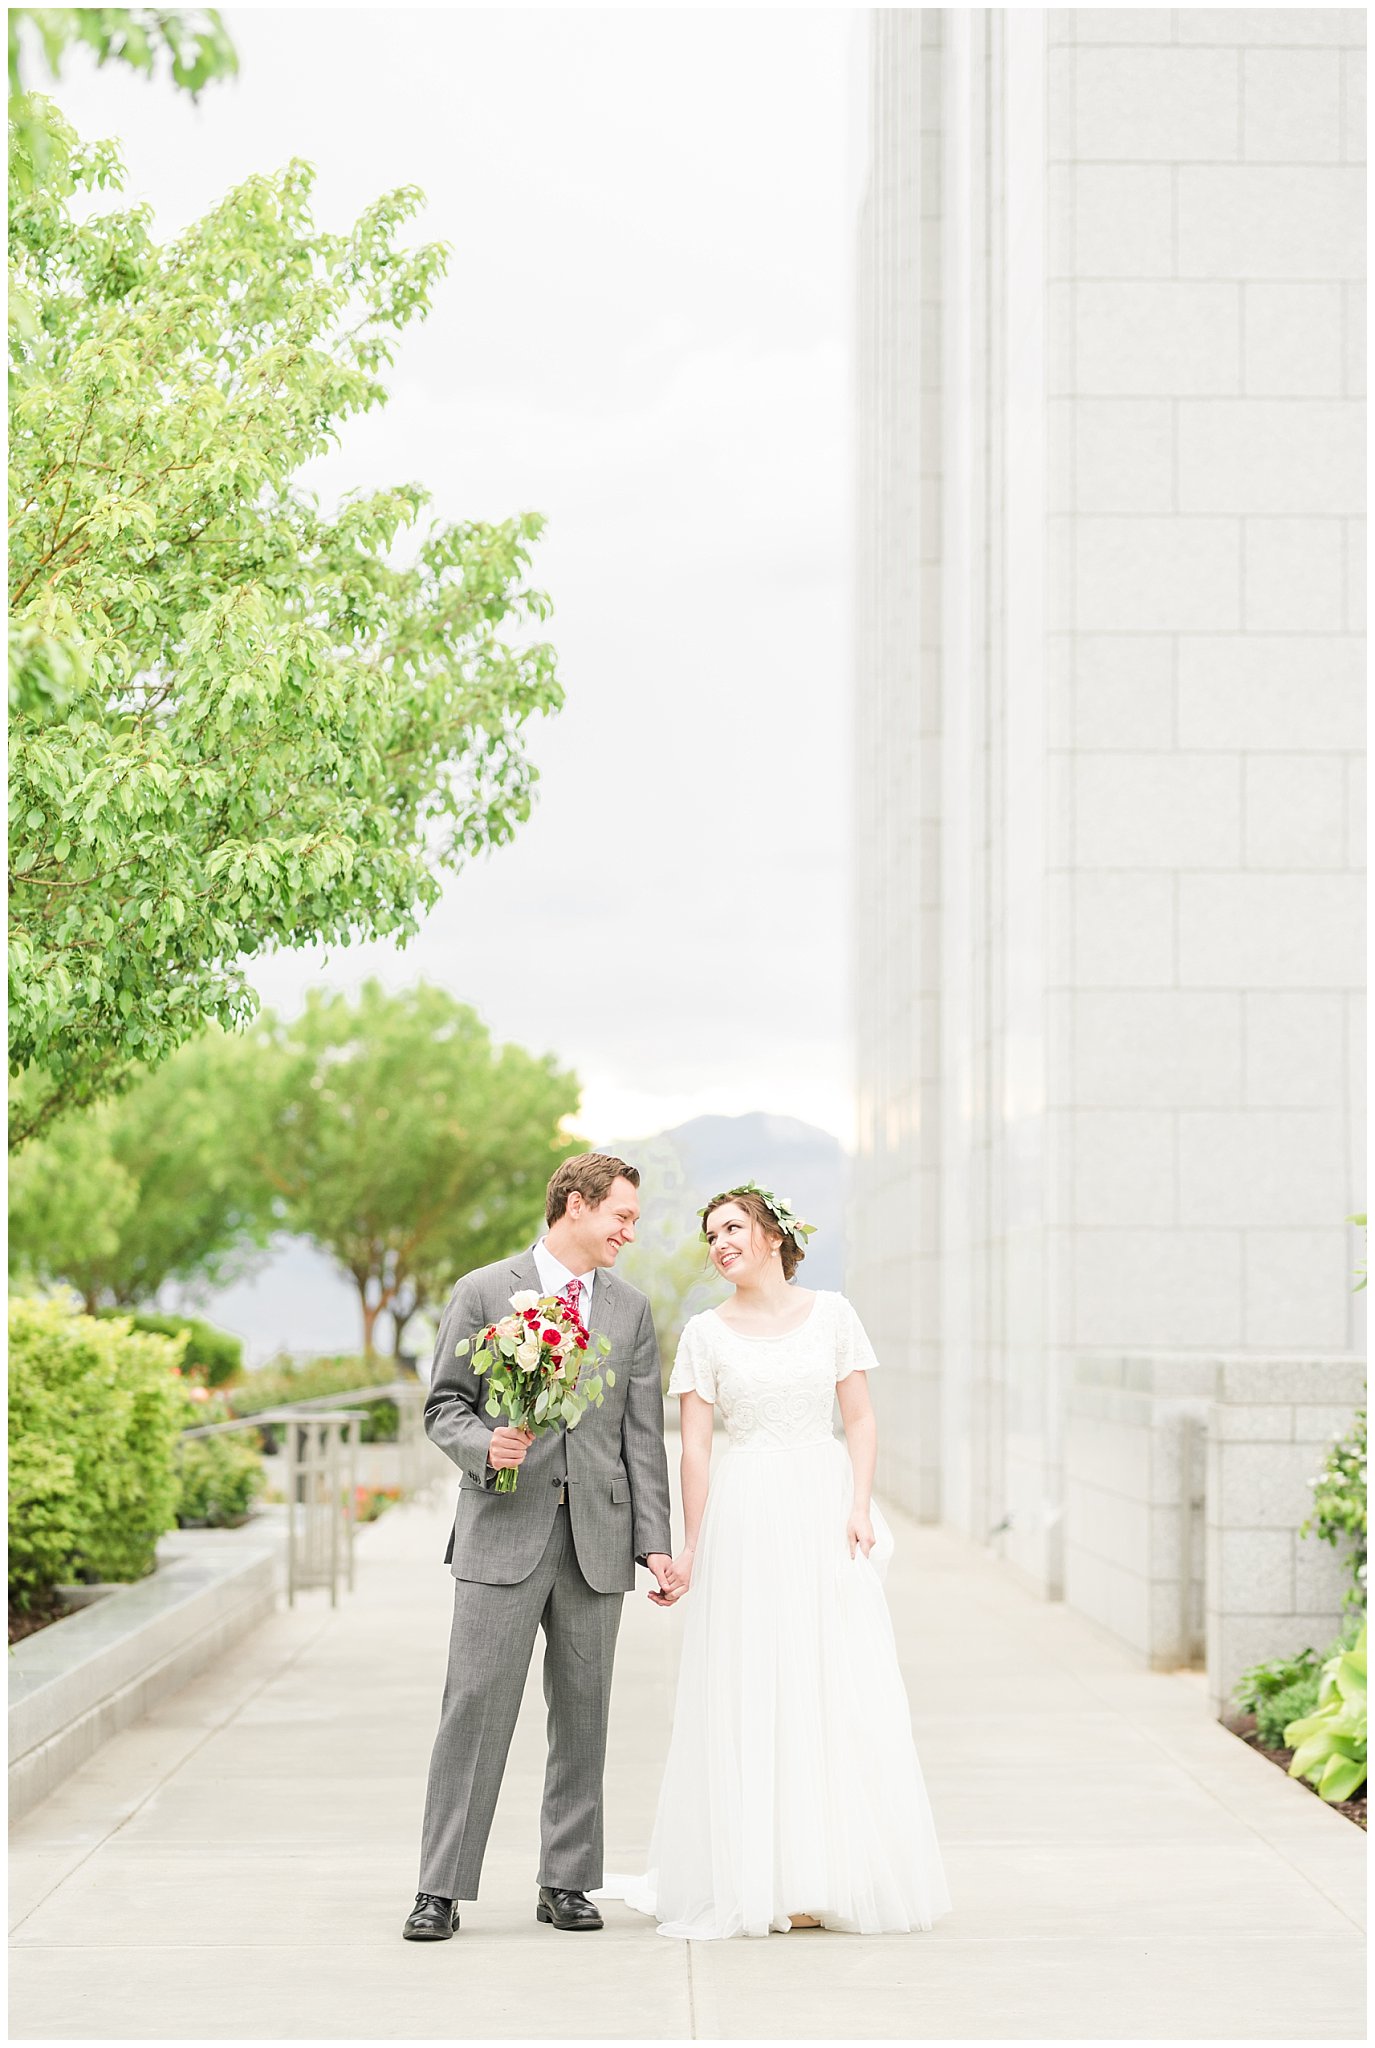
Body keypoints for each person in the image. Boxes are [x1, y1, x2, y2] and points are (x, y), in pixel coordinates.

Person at [597, 1182, 951, 1940]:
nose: (719, 1243)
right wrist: (691, 1546)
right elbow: (691, 1448)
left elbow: (858, 1417)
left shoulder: (832, 1315)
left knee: (834, 1678)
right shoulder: (705, 1333)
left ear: (770, 1234)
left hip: (822, 1505)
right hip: (747, 1509)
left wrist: (858, 1505)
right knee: (756, 1681)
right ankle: (764, 1873)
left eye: (731, 1227)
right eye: (710, 1235)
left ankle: (832, 1869)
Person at [403, 1153, 678, 1942]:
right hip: (501, 1531)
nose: (630, 1230)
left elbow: (641, 1442)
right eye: (621, 1214)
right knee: (474, 1710)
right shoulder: (484, 1291)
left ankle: (566, 1881)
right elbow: (443, 1406)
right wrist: (486, 1444)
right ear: (575, 1205)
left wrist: (654, 1544)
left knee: (583, 1717)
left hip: (599, 1538)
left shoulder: (629, 1311)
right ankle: (440, 1888)